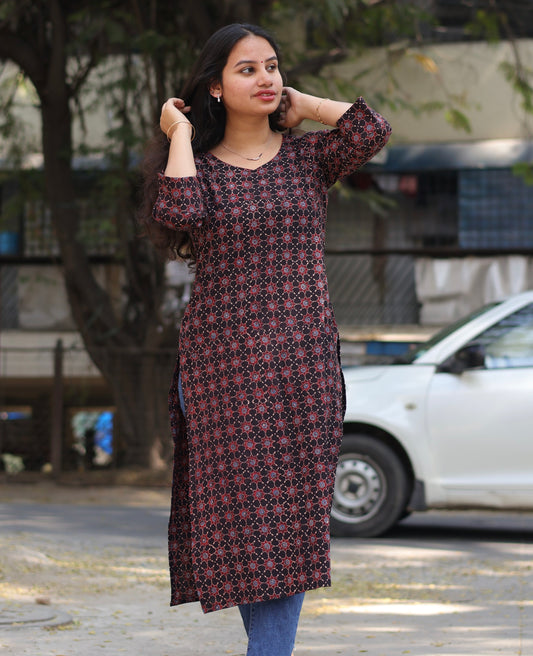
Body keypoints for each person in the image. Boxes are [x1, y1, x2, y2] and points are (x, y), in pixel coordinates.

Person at [140, 22, 391, 656]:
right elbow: (179, 213)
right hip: (223, 374)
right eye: (246, 69)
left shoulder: (308, 159)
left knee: (291, 529)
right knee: (249, 531)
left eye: (272, 66)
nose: (265, 78)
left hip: (304, 369)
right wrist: (180, 134)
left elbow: (371, 129)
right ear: (215, 86)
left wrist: (305, 106)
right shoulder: (197, 169)